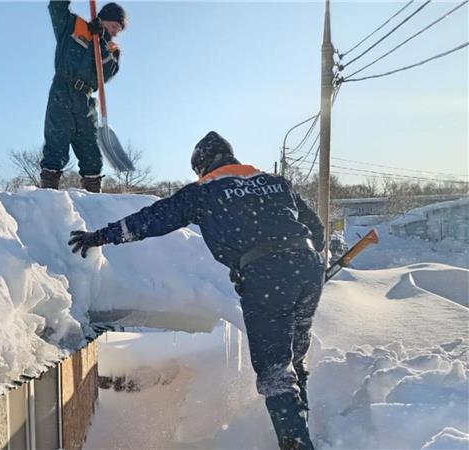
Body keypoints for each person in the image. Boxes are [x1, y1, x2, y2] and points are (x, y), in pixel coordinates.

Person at [68, 131, 325, 450]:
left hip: (266, 274)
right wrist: (313, 256)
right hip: (307, 266)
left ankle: (298, 443)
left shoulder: (204, 191)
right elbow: (315, 227)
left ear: (201, 167)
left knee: (274, 368)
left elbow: (154, 219)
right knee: (294, 355)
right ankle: (302, 425)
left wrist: (102, 236)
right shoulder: (276, 182)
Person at [40, 0, 126, 193]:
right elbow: (56, 6)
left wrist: (101, 41)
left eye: (119, 29)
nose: (116, 32)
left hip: (85, 100)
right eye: (114, 26)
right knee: (56, 143)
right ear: (103, 19)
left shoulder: (113, 50)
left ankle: (93, 197)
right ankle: (47, 196)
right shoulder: (74, 25)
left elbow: (107, 73)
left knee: (91, 150)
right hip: (62, 89)